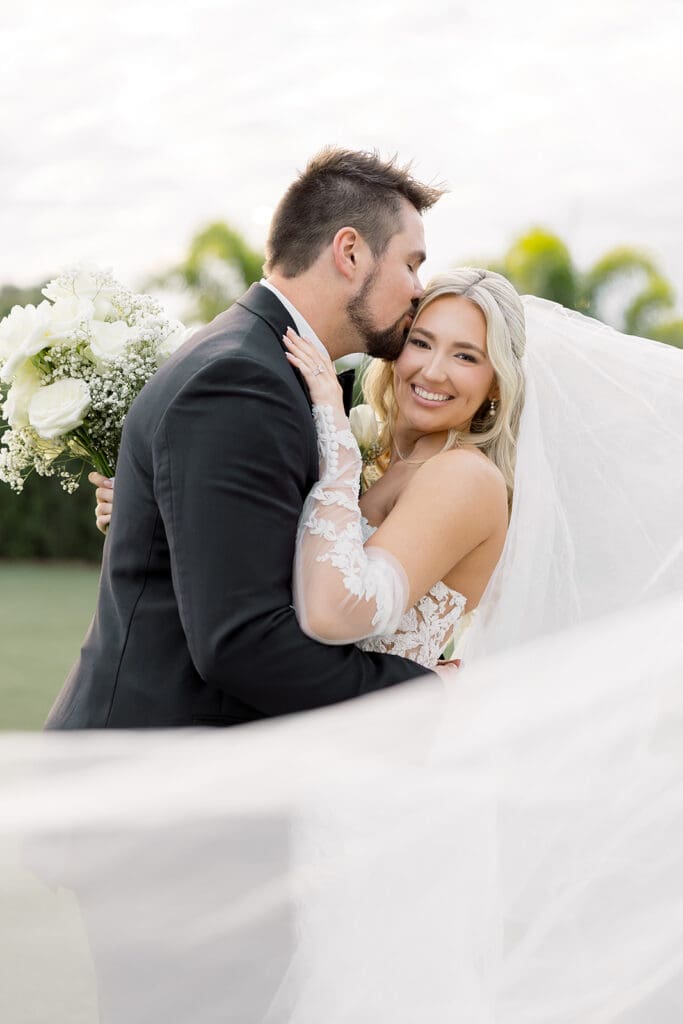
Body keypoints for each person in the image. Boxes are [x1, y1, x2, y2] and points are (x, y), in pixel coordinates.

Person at [44, 148, 446, 730]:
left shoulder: (258, 361)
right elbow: (241, 641)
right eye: (411, 264)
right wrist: (424, 691)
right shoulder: (241, 381)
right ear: (351, 252)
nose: (418, 289)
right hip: (146, 777)